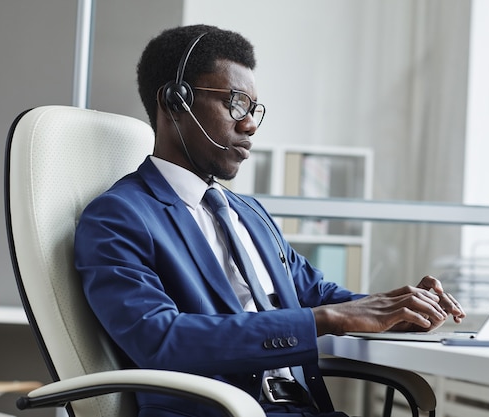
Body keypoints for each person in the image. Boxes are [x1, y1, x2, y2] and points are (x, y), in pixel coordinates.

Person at [74, 24, 465, 417]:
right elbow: (160, 340)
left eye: (253, 109)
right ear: (176, 102)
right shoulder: (118, 217)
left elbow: (319, 296)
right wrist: (324, 320)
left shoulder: (249, 214)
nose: (250, 125)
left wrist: (401, 308)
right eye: (234, 104)